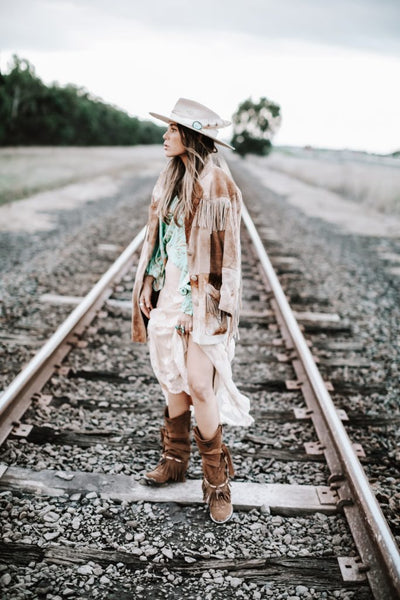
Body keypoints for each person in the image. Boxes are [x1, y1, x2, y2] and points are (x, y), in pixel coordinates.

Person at [131, 98, 253, 524]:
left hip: (202, 301)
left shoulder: (215, 183)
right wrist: (148, 279)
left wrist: (191, 307)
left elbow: (222, 259)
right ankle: (175, 459)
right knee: (172, 379)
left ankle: (217, 483)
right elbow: (160, 238)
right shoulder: (170, 178)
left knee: (200, 383)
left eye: (172, 130)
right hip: (168, 294)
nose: (164, 136)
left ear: (190, 136)